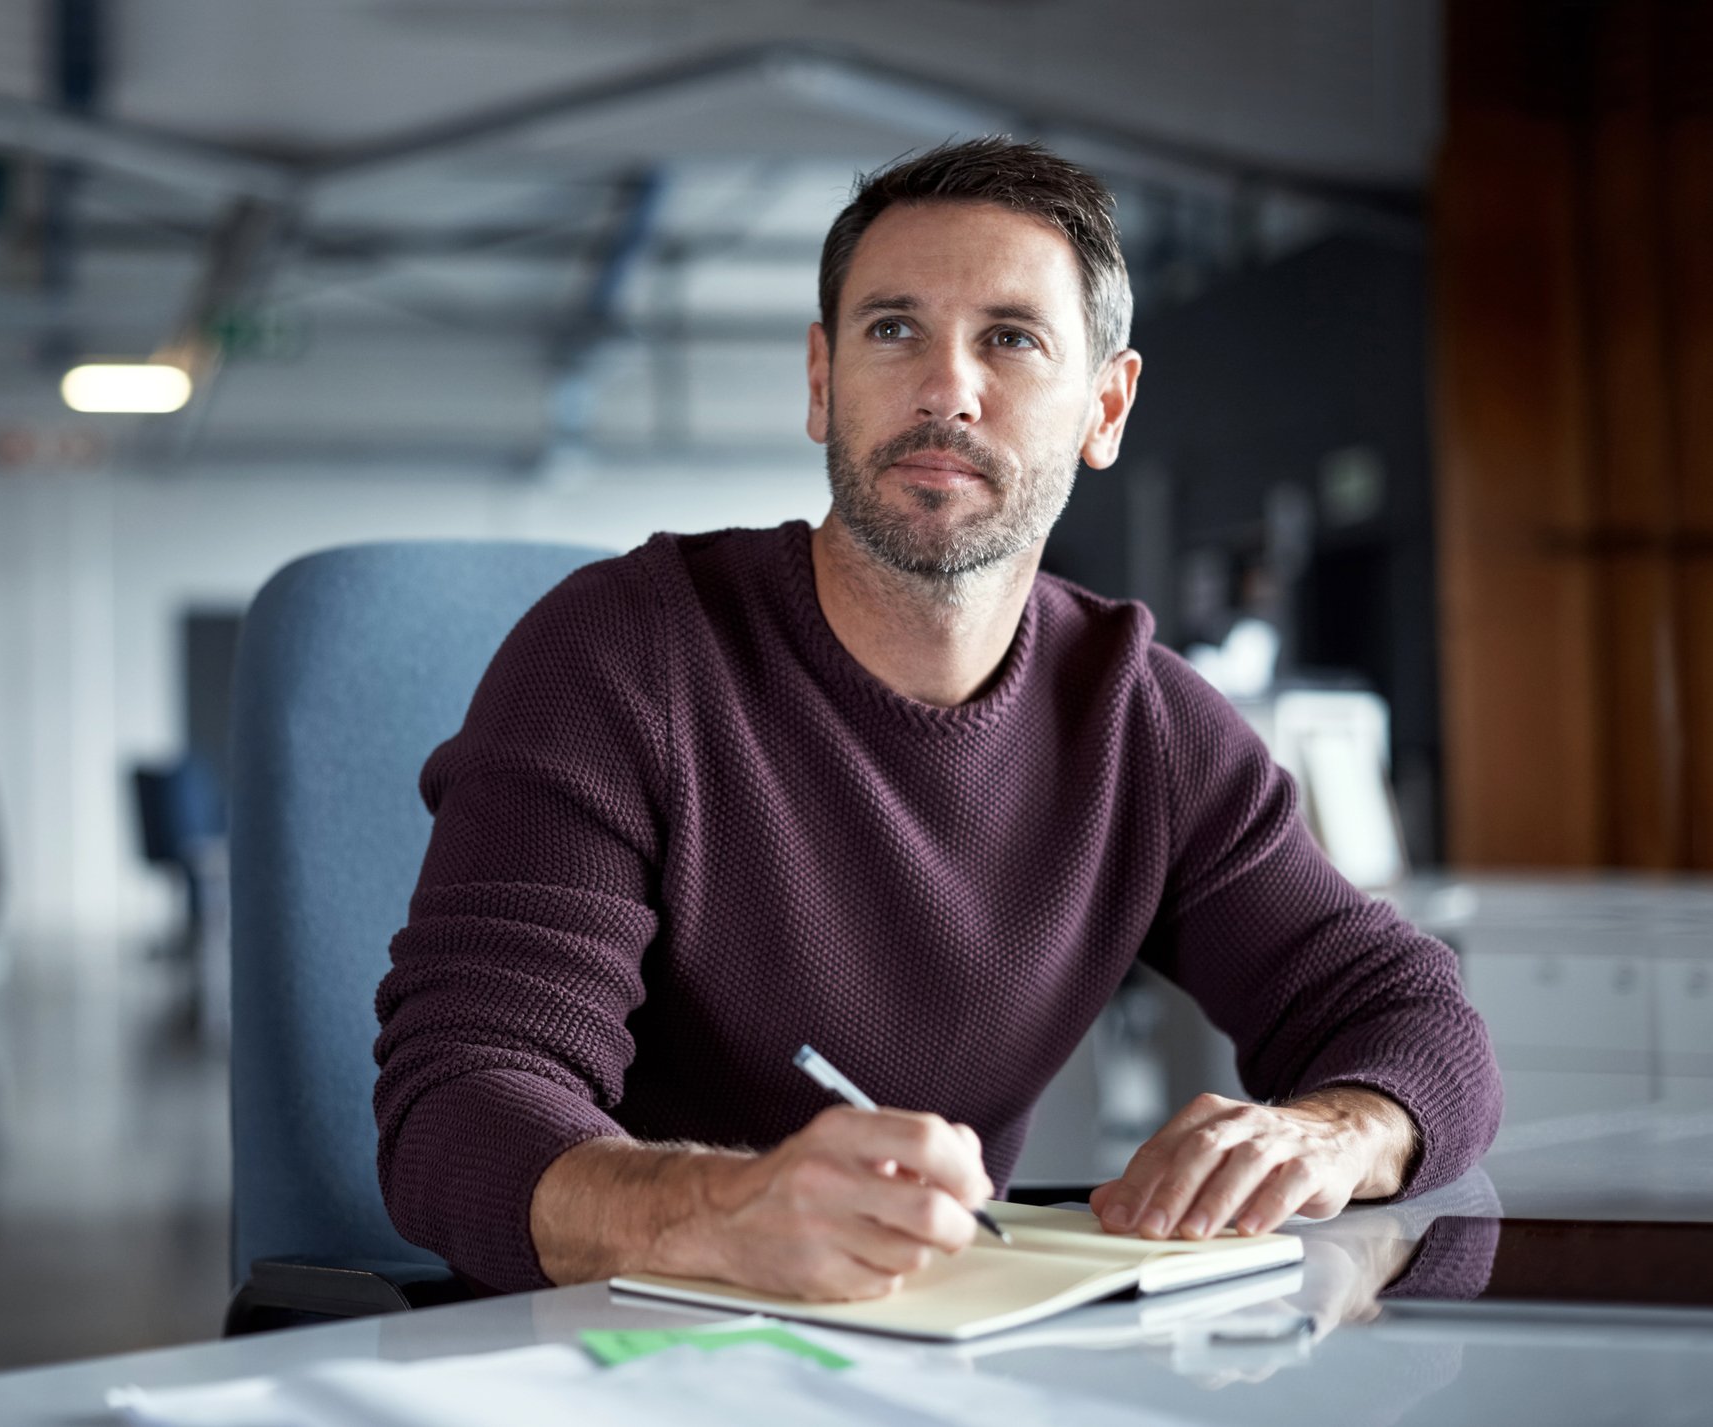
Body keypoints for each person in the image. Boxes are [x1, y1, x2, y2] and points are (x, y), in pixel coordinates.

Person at [372, 137, 1501, 1302]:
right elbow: (458, 1102)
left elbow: (1406, 1013)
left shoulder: (1140, 718)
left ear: (1103, 407)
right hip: (606, 1351)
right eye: (890, 329)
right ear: (821, 382)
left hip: (936, 1348)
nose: (943, 390)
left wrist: (1335, 1132)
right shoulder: (620, 655)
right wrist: (716, 1211)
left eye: (1008, 338)